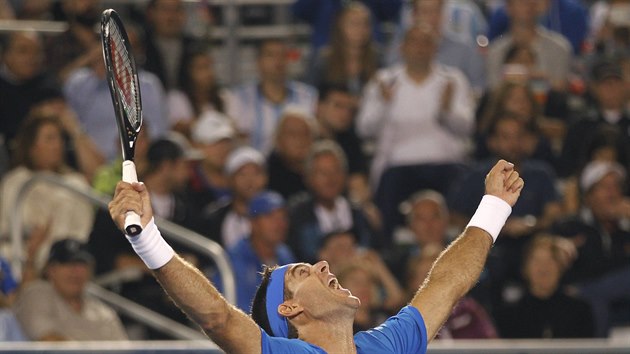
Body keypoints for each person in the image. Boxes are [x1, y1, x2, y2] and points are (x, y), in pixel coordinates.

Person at [107, 159, 523, 353]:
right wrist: (147, 238)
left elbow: (448, 283)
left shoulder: (385, 345)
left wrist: (494, 207)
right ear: (289, 308)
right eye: (303, 271)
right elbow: (217, 316)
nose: (324, 265)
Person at [357, 24, 475, 243]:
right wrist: (384, 104)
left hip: (445, 165)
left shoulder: (453, 80)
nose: (420, 48)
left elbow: (467, 128)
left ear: (435, 49)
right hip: (398, 167)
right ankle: (389, 248)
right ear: (402, 48)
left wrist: (446, 110)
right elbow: (364, 129)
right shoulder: (384, 81)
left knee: (464, 185)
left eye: (426, 43)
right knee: (388, 189)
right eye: (414, 42)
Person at [13, 239, 128, 341]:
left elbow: (126, 350)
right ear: (51, 269)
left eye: (82, 264)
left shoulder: (103, 312)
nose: (75, 272)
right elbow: (48, 340)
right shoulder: (37, 294)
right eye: (67, 264)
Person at [225, 39, 317, 155]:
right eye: (271, 55)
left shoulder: (308, 97)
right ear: (258, 62)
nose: (278, 61)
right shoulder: (237, 99)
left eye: (283, 55)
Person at [494, 235, 595, 338]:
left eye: (550, 261)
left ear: (560, 268)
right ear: (525, 268)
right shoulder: (508, 315)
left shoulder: (580, 312)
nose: (543, 268)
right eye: (537, 261)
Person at [221, 191, 296, 312]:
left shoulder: (285, 254)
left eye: (282, 217)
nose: (279, 224)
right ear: (253, 222)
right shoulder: (234, 259)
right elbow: (234, 309)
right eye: (270, 217)